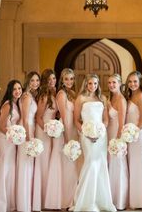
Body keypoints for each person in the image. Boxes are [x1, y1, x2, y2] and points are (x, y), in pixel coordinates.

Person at [72, 74, 116, 212]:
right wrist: (86, 132)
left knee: (100, 165)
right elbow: (76, 120)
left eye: (95, 84)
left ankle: (101, 201)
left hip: (101, 136)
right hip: (86, 135)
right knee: (90, 164)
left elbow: (106, 119)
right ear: (86, 84)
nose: (93, 86)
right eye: (90, 83)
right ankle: (86, 202)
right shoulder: (81, 99)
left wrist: (101, 131)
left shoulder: (102, 98)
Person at [124, 71, 142, 209]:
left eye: (135, 81)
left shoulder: (141, 97)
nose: (132, 84)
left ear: (140, 82)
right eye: (130, 81)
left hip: (138, 135)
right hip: (130, 135)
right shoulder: (130, 96)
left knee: (139, 165)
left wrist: (133, 133)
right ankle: (134, 199)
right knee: (132, 165)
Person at [0, 80, 22, 212]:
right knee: (4, 170)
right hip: (5, 140)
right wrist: (13, 134)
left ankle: (10, 204)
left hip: (12, 141)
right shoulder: (7, 105)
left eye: (19, 88)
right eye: (15, 89)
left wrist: (15, 136)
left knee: (10, 171)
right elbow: (1, 127)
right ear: (10, 91)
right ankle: (1, 205)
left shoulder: (16, 104)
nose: (18, 91)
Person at [33, 69, 57, 211]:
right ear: (44, 82)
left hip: (52, 130)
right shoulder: (43, 95)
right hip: (43, 131)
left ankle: (50, 196)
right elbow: (38, 117)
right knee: (43, 162)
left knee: (49, 162)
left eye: (53, 79)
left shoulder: (54, 93)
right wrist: (48, 131)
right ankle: (41, 199)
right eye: (49, 80)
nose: (52, 82)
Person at [16, 71, 40, 212]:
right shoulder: (26, 96)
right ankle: (23, 205)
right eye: (32, 81)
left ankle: (28, 203)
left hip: (30, 129)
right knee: (25, 166)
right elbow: (25, 118)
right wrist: (27, 138)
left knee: (29, 166)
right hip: (26, 131)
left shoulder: (31, 96)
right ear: (27, 82)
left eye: (37, 80)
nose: (35, 83)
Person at [55, 68, 78, 209]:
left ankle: (74, 198)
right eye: (66, 79)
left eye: (71, 79)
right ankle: (65, 200)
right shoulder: (61, 94)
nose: (69, 81)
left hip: (74, 130)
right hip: (67, 131)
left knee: (74, 167)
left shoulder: (73, 94)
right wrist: (68, 139)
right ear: (62, 80)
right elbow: (63, 117)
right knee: (68, 166)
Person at [107, 74, 128, 210]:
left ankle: (120, 200)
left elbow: (122, 124)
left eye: (114, 82)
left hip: (117, 136)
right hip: (109, 134)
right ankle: (110, 198)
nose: (111, 85)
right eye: (109, 83)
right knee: (110, 167)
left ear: (120, 83)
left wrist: (118, 142)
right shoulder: (110, 98)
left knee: (118, 165)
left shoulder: (121, 100)